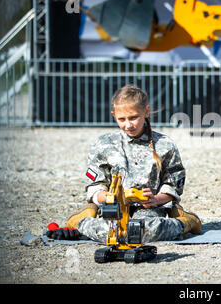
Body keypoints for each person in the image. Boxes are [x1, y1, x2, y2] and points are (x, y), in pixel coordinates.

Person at [58, 85, 201, 243]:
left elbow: (173, 183)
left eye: (133, 117)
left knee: (141, 232)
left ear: (146, 112)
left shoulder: (165, 145)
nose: (128, 125)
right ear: (114, 115)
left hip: (149, 210)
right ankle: (83, 219)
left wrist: (157, 199)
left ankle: (186, 221)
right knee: (112, 234)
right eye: (122, 119)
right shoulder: (103, 144)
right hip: (113, 210)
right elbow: (95, 184)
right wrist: (106, 197)